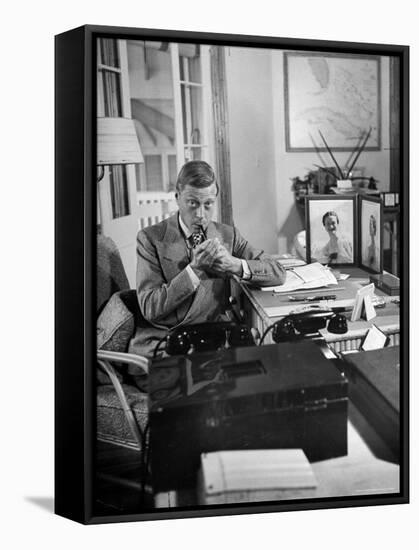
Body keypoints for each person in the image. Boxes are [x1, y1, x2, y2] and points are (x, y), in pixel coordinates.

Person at [129, 160, 285, 357]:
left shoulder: (228, 235)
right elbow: (150, 307)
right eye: (192, 203)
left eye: (208, 204)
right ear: (177, 198)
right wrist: (193, 271)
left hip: (211, 339)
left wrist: (236, 265)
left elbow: (278, 272)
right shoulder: (150, 239)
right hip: (165, 343)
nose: (201, 215)